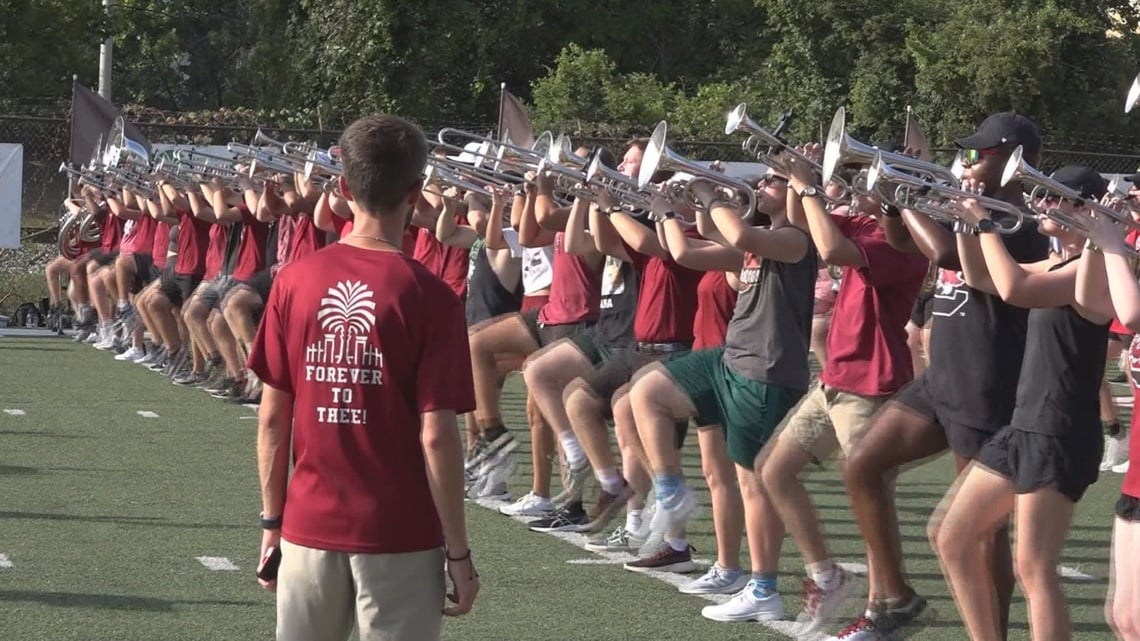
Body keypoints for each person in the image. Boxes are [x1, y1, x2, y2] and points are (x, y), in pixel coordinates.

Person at [248, 114, 478, 641]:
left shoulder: (294, 281)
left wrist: (270, 523)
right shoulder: (434, 297)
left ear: (344, 188)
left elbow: (272, 417)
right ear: (417, 192)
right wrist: (459, 552)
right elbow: (438, 434)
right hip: (402, 533)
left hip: (308, 526)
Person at [838, 113, 1050, 641]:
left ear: (1014, 159)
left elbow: (942, 252)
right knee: (862, 464)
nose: (974, 162)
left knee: (981, 532)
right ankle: (895, 599)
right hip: (941, 377)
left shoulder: (1018, 221)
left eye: (985, 154)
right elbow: (903, 240)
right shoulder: (972, 209)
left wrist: (913, 192)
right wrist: (893, 198)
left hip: (987, 377)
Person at [935, 166, 1113, 641]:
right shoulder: (1057, 264)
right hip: (1024, 425)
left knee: (1033, 568)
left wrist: (986, 224)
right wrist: (965, 223)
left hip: (1059, 431)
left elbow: (1015, 288)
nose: (1044, 204)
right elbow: (981, 278)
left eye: (1059, 198)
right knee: (951, 537)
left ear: (1087, 210)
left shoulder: (1087, 274)